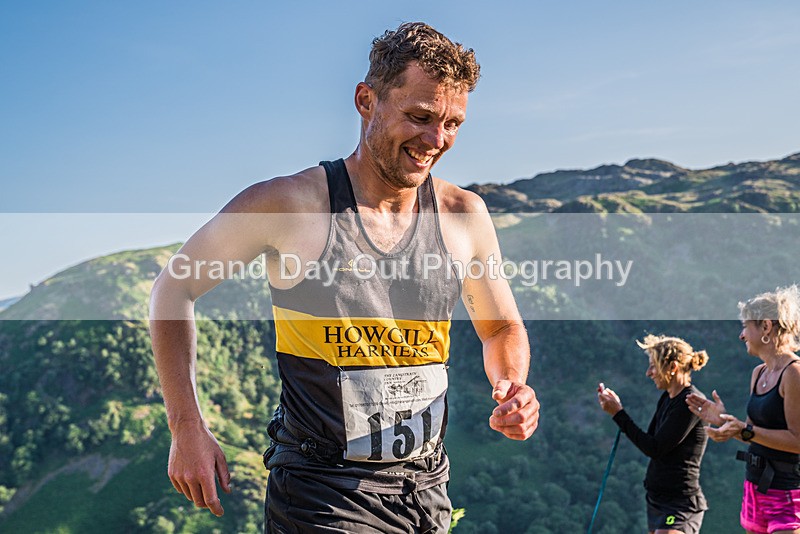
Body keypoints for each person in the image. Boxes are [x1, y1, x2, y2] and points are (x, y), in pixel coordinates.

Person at [149, 22, 540, 532]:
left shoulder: (463, 214)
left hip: (426, 489)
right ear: (365, 100)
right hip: (321, 491)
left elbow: (500, 327)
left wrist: (512, 385)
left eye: (452, 123)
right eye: (419, 117)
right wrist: (186, 426)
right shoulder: (289, 204)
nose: (435, 140)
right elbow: (173, 289)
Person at [687, 286, 800, 534]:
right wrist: (723, 421)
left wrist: (745, 430)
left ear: (766, 327)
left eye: (746, 326)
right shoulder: (758, 373)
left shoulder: (794, 373)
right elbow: (752, 433)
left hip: (787, 493)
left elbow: (797, 441)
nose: (741, 335)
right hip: (754, 486)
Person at [597, 335, 710, 534]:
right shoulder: (668, 397)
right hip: (658, 500)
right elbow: (650, 440)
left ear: (673, 367)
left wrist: (618, 413)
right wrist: (618, 412)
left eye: (653, 366)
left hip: (679, 503)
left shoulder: (690, 403)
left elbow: (654, 448)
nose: (649, 373)